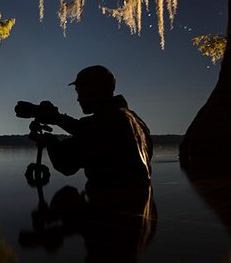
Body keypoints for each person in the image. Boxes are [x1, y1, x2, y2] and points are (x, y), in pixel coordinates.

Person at [21, 65, 153, 193]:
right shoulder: (135, 121)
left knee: (66, 197)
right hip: (140, 207)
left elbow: (66, 164)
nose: (78, 98)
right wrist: (56, 120)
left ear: (94, 90)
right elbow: (86, 132)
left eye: (80, 91)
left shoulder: (105, 124)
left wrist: (49, 140)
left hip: (113, 210)